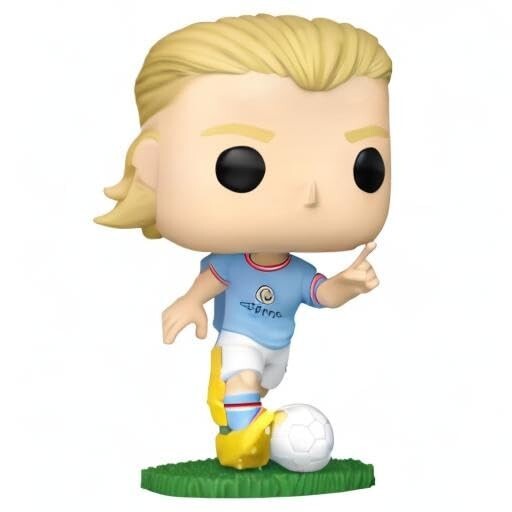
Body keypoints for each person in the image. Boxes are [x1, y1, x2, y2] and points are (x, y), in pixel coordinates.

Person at [95, 13, 392, 470]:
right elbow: (212, 280)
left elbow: (322, 295)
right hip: (240, 337)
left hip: (279, 345)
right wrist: (189, 302)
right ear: (153, 166)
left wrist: (348, 285)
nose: (311, 193)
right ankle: (241, 445)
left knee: (260, 382)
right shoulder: (232, 264)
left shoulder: (297, 273)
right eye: (240, 166)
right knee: (243, 381)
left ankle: (234, 410)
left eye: (364, 166)